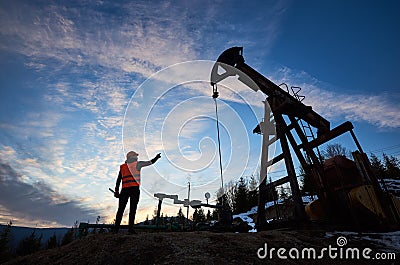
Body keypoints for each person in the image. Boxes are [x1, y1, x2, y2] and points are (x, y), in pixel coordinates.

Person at [114, 151, 161, 233]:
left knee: (120, 210)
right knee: (132, 209)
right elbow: (150, 162)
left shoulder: (123, 167)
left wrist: (117, 191)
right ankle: (130, 229)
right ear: (132, 157)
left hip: (124, 190)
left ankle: (115, 230)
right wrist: (156, 158)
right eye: (136, 156)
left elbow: (118, 180)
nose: (137, 157)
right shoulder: (138, 164)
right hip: (134, 190)